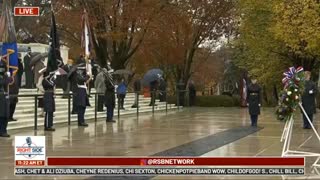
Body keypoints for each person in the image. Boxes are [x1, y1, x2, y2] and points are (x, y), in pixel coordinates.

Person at [0, 61, 10, 137]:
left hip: (4, 96)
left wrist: (7, 76)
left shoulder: (5, 75)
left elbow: (7, 83)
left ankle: (4, 130)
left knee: (5, 115)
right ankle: (2, 131)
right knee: (1, 115)